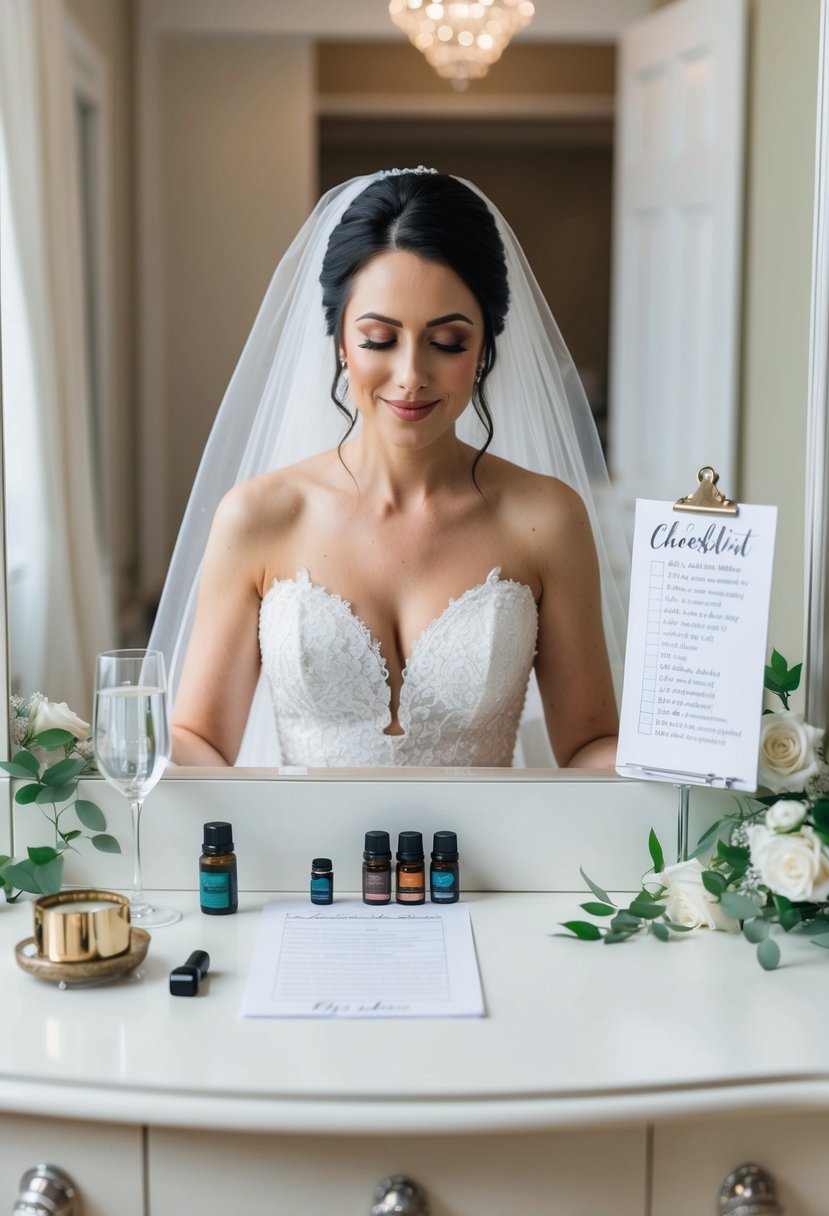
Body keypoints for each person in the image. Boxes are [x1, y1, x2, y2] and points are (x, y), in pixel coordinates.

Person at [151, 169, 627, 768]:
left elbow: (589, 745)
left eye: (447, 341)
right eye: (379, 338)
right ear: (340, 343)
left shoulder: (546, 518)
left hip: (486, 860)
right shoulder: (259, 516)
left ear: (484, 348)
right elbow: (202, 740)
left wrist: (701, 750)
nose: (410, 374)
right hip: (312, 860)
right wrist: (96, 751)